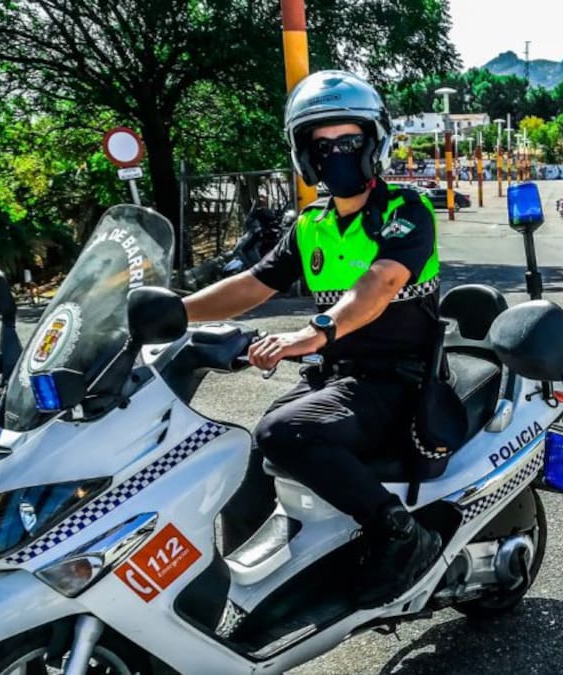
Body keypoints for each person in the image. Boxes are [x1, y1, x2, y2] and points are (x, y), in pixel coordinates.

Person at [183, 70, 442, 609]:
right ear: (304, 155)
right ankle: (249, 587)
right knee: (245, 448)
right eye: (320, 145)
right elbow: (253, 284)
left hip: (398, 383)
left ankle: (400, 536)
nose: (336, 154)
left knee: (286, 432)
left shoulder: (404, 211)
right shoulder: (311, 225)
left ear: (374, 143)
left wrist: (315, 331)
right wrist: (170, 312)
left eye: (348, 141)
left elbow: (380, 284)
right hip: (338, 382)